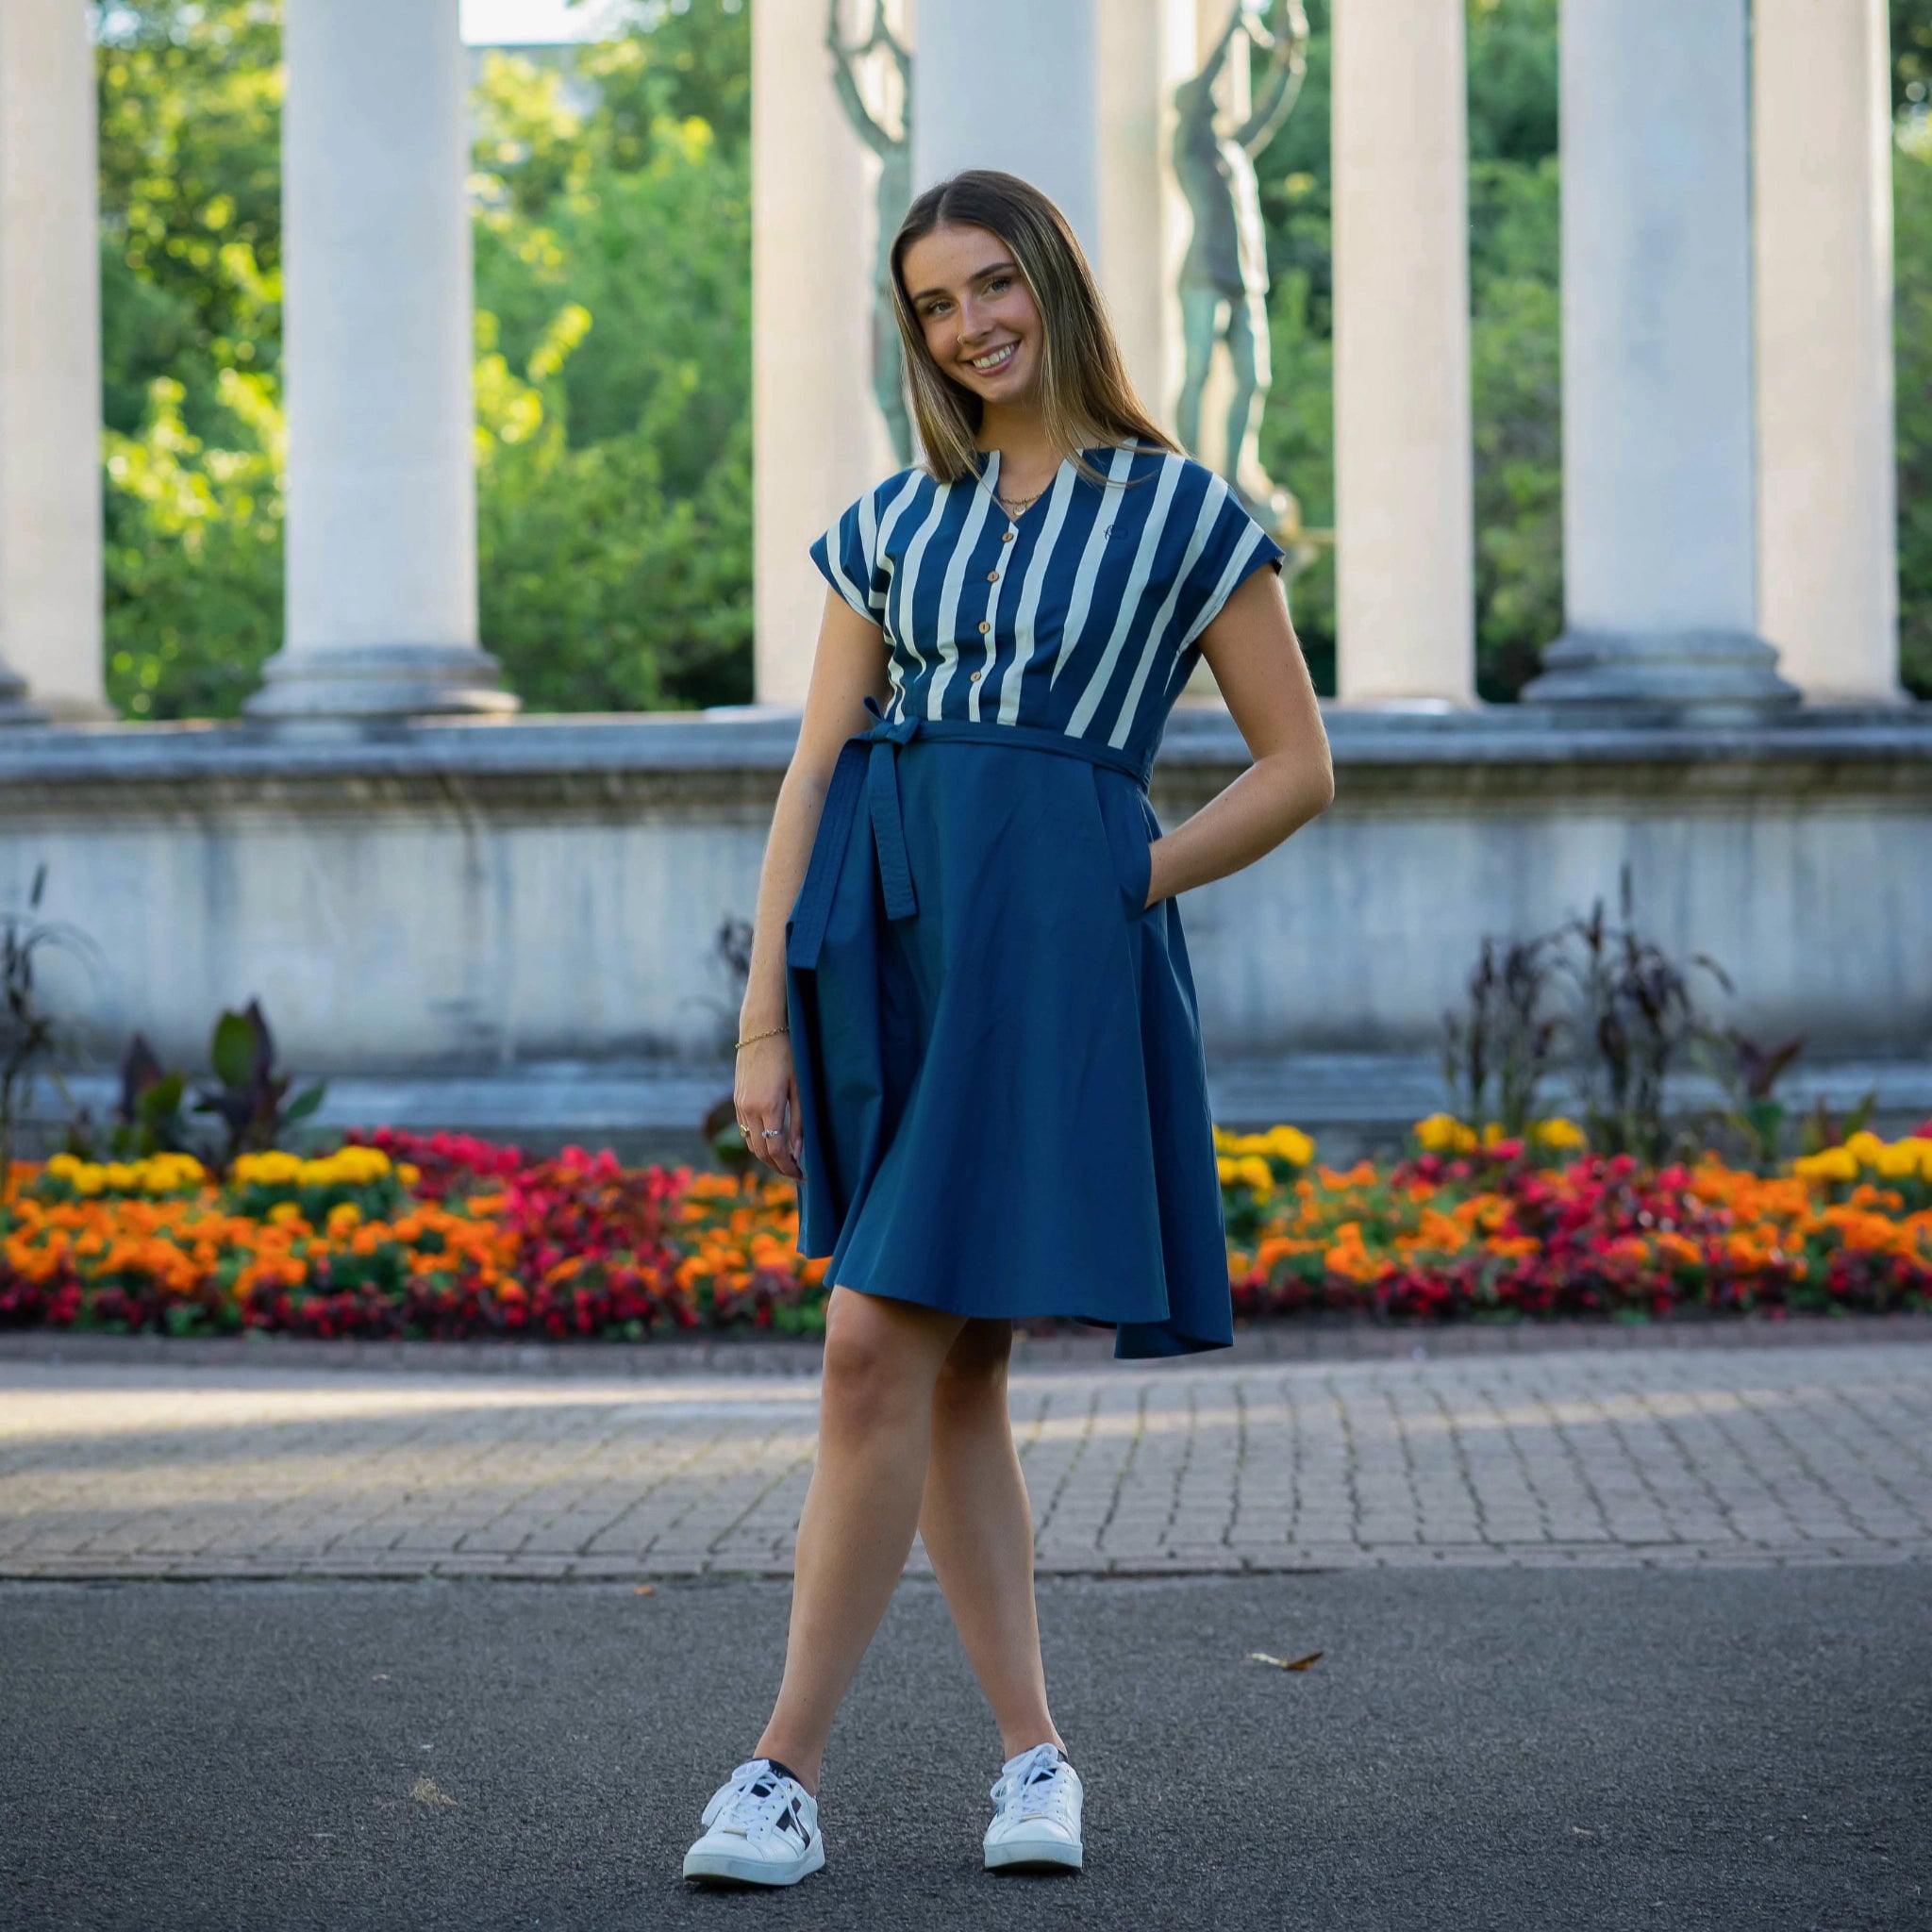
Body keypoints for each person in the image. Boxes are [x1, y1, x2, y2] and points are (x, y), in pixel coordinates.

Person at [681, 168, 1333, 1890]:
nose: (969, 326)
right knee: (942, 1359)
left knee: (874, 1349)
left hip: (1054, 953)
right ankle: (1032, 1758)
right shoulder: (890, 522)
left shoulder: (1185, 511)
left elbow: (1297, 766)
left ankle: (780, 1771)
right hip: (888, 950)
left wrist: (1123, 878)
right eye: (933, 305)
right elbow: (814, 768)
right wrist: (762, 1023)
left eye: (991, 285)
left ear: (1049, 280)